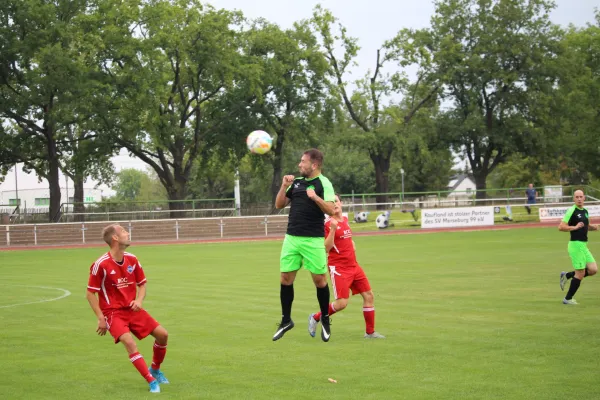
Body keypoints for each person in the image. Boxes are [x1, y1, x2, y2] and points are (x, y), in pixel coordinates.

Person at [86, 224, 169, 393]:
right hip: (113, 313)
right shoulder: (101, 264)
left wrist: (139, 300)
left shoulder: (132, 259)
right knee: (129, 342)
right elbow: (90, 294)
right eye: (123, 231)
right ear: (115, 238)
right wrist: (101, 318)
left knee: (163, 335)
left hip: (133, 309)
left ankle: (155, 369)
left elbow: (142, 284)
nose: (127, 233)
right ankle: (151, 380)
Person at [272, 148, 336, 342]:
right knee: (285, 278)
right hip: (292, 238)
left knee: (320, 281)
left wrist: (315, 197)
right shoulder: (297, 183)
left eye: (303, 162)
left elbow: (332, 209)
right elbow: (279, 205)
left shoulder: (323, 183)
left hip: (313, 239)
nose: (299, 164)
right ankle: (286, 320)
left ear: (314, 165)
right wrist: (284, 186)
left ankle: (324, 318)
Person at [308, 194, 385, 339]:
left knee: (369, 295)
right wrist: (332, 230)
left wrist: (352, 245)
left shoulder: (345, 220)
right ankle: (316, 317)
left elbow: (347, 238)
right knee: (342, 303)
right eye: (331, 202)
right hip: (339, 268)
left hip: (354, 266)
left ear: (341, 203)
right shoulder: (327, 224)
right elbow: (326, 248)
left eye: (336, 201)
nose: (335, 204)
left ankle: (370, 332)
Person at [558, 190, 599, 304]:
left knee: (593, 270)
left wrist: (594, 227)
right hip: (575, 245)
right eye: (577, 197)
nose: (579, 199)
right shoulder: (572, 210)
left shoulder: (585, 211)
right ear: (574, 199)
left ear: (584, 198)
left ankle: (567, 275)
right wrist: (574, 228)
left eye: (581, 197)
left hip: (583, 245)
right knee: (580, 273)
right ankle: (568, 299)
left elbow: (585, 226)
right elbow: (561, 227)